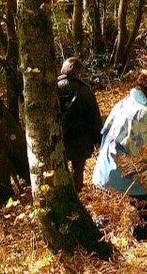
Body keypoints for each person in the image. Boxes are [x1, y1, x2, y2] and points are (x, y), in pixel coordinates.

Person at [92, 68, 147, 241]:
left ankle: (98, 248)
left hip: (105, 170)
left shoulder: (124, 102)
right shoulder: (143, 112)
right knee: (144, 207)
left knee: (104, 218)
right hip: (124, 175)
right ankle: (138, 247)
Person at [57, 58, 103, 191]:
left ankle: (62, 193)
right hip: (80, 139)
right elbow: (94, 118)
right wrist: (98, 140)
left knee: (58, 169)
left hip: (58, 137)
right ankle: (76, 193)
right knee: (78, 170)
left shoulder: (53, 88)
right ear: (79, 73)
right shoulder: (85, 91)